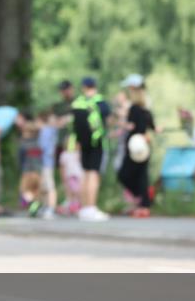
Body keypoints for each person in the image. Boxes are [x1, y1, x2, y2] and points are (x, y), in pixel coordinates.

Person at [71, 76, 111, 221]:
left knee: (85, 174)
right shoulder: (100, 102)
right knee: (94, 174)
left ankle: (84, 208)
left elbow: (74, 126)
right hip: (97, 143)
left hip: (82, 143)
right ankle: (91, 208)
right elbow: (107, 119)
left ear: (83, 87)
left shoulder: (78, 103)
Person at [117, 74, 156, 217]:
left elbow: (135, 126)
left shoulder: (135, 108)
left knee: (126, 175)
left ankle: (143, 202)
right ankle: (143, 202)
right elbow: (151, 125)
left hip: (135, 147)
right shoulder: (146, 107)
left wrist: (124, 124)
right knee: (141, 175)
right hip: (143, 146)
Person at [53, 80, 82, 215]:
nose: (64, 92)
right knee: (65, 174)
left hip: (75, 143)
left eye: (66, 89)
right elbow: (54, 121)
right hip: (61, 143)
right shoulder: (58, 106)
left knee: (76, 173)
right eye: (62, 90)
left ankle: (78, 200)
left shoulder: (78, 103)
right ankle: (69, 199)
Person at [17, 118, 43, 217]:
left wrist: (20, 168)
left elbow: (20, 159)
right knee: (35, 190)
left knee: (24, 190)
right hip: (37, 172)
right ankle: (34, 205)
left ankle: (29, 202)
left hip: (27, 171)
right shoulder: (38, 144)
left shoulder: (23, 144)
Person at [36, 110, 59, 218]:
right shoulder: (52, 131)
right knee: (44, 186)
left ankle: (50, 208)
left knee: (49, 186)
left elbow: (43, 147)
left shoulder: (46, 131)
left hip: (45, 162)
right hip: (47, 162)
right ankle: (46, 207)